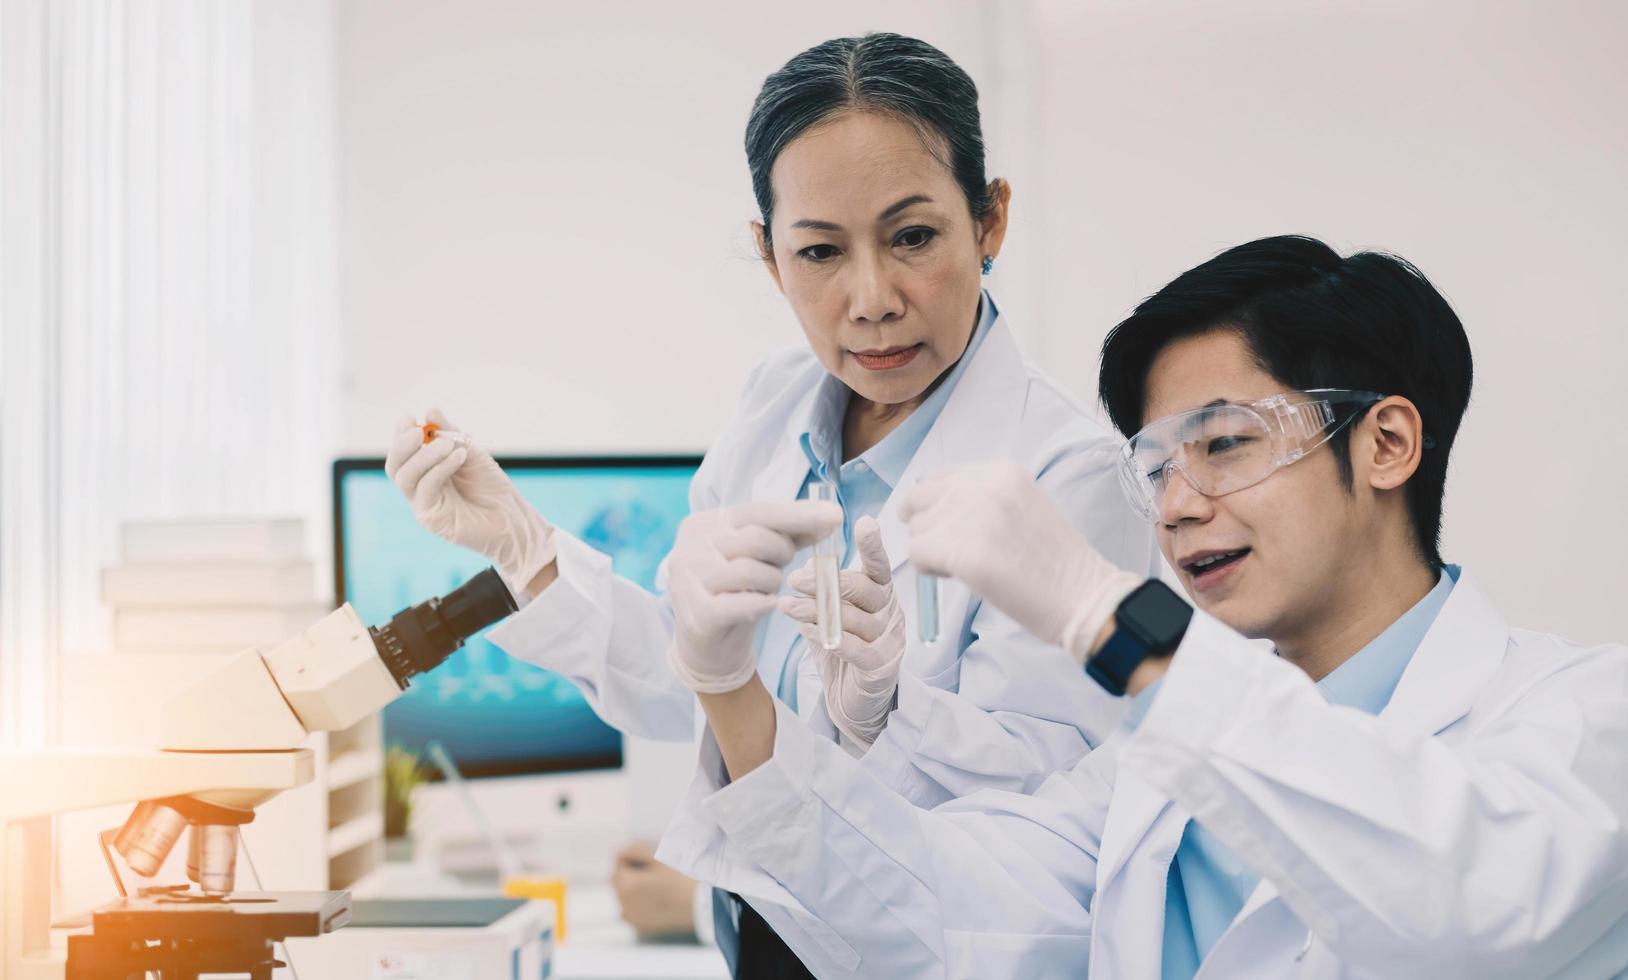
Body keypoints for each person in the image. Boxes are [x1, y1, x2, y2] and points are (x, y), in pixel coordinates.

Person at [384, 33, 1157, 974]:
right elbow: (694, 685)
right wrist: (526, 550)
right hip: (761, 932)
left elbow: (1043, 814)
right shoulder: (773, 407)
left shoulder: (1069, 471)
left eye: (913, 237)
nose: (870, 299)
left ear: (990, 222)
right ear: (767, 254)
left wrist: (888, 713)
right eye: (820, 252)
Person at [663, 235, 1628, 977]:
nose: (1175, 505)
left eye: (1224, 444)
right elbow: (928, 907)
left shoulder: (1580, 719)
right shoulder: (1147, 770)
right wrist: (730, 689)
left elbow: (1470, 905)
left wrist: (1106, 614)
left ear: (1384, 445)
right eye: (1155, 465)